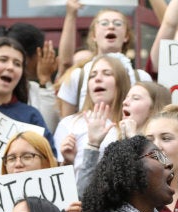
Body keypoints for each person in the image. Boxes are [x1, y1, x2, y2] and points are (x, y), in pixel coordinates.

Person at [57, 7, 152, 117]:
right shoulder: (77, 76)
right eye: (104, 23)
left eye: (117, 23)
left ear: (126, 36)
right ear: (93, 36)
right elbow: (66, 123)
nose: (111, 27)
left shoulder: (142, 78)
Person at [53, 54, 130, 183]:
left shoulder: (132, 125)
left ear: (121, 82)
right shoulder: (69, 124)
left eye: (107, 73)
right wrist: (67, 162)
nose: (98, 79)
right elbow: (58, 183)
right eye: (92, 75)